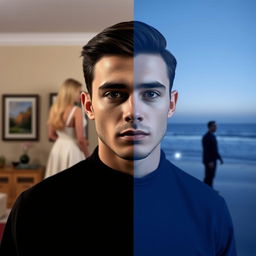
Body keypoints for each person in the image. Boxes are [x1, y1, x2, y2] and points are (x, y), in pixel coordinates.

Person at [0, 21, 236, 255]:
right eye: (113, 94)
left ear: (171, 104)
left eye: (151, 94)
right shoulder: (35, 208)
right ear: (89, 106)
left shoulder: (210, 209)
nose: (133, 112)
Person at [45, 78, 90, 178]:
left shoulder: (54, 109)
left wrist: (64, 142)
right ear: (71, 92)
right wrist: (89, 157)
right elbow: (80, 139)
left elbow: (51, 135)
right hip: (72, 150)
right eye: (79, 92)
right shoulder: (76, 111)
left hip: (57, 149)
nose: (80, 95)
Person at [202, 120, 224, 188]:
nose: (216, 128)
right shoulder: (206, 137)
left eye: (216, 126)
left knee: (211, 176)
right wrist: (209, 161)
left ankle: (210, 191)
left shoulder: (212, 136)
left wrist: (220, 158)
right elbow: (206, 150)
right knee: (208, 177)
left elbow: (215, 150)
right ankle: (205, 191)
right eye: (214, 126)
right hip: (209, 161)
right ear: (210, 127)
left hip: (213, 160)